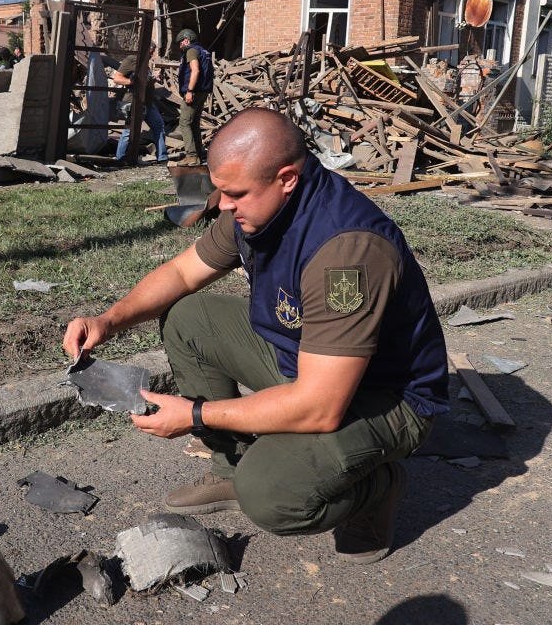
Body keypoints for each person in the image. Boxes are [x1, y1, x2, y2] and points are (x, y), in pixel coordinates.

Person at [63, 108, 449, 564]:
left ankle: (376, 489)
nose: (223, 205)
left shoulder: (348, 252)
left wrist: (198, 415)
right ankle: (231, 467)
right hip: (305, 363)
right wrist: (110, 320)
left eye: (235, 193)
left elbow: (321, 407)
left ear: (286, 178)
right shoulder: (258, 207)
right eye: (221, 191)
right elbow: (184, 273)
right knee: (190, 316)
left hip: (385, 397)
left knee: (271, 496)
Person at [113, 43, 168, 164]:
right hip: (135, 102)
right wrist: (130, 82)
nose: (152, 53)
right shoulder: (132, 59)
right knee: (129, 131)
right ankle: (120, 158)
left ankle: (162, 157)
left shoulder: (144, 63)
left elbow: (144, 80)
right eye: (151, 50)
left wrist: (153, 78)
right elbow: (117, 78)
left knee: (159, 126)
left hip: (148, 103)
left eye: (153, 51)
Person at [174, 28, 213, 167]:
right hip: (203, 92)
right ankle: (199, 153)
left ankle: (191, 156)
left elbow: (195, 70)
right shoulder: (204, 51)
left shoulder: (191, 50)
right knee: (194, 123)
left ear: (186, 40)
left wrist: (189, 90)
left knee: (184, 123)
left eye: (180, 43)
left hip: (194, 92)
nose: (180, 46)